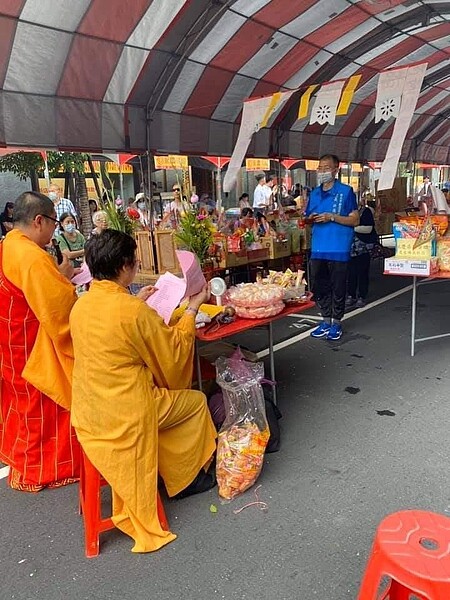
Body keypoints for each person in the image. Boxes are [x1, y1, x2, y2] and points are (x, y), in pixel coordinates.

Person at [70, 230, 217, 553]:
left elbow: (114, 332)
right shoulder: (132, 312)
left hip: (88, 409)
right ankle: (187, 479)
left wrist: (138, 301)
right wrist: (193, 307)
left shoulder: (82, 305)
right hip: (128, 412)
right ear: (124, 266)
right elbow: (174, 352)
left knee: (171, 400)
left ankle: (172, 471)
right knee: (194, 401)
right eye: (134, 262)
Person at [0, 191, 80, 491]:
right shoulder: (32, 256)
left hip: (11, 339)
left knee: (20, 401)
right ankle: (42, 467)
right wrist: (65, 277)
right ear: (39, 221)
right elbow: (58, 306)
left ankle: (19, 456)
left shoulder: (9, 244)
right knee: (44, 405)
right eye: (53, 223)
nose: (55, 230)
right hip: (31, 342)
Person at [305, 154, 359, 341]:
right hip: (318, 247)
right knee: (319, 285)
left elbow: (355, 219)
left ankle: (336, 321)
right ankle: (325, 319)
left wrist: (332, 217)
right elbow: (308, 218)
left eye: (326, 168)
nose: (322, 171)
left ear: (336, 169)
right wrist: (309, 220)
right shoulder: (314, 194)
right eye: (320, 168)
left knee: (337, 286)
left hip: (339, 247)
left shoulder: (346, 192)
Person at [346, 200, 378, 308]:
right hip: (349, 248)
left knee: (362, 273)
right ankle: (351, 295)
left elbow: (369, 228)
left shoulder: (366, 211)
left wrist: (352, 228)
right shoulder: (345, 212)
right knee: (351, 273)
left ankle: (361, 296)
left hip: (363, 247)